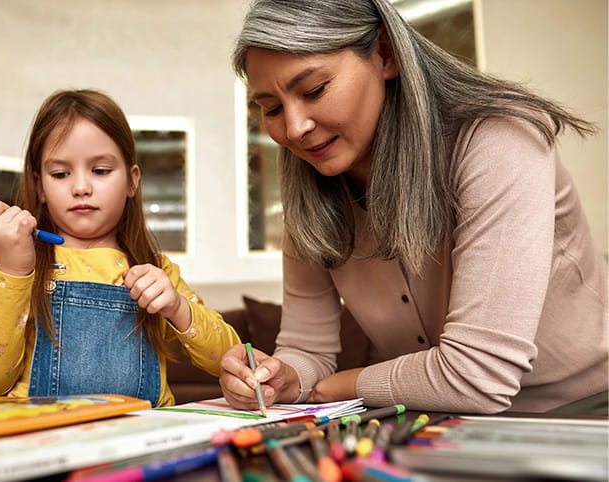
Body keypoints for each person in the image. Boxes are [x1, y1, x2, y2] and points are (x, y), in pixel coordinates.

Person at [219, 0, 608, 415]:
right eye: (272, 108)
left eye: (314, 90)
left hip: (586, 412)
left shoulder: (499, 140)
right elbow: (306, 349)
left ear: (385, 54)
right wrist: (279, 378)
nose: (295, 128)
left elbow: (476, 375)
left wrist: (337, 387)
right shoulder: (310, 193)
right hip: (442, 420)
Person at [0, 89, 240, 407]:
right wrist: (12, 270)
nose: (81, 187)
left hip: (142, 432)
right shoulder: (22, 265)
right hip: (48, 433)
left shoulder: (156, 269)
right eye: (60, 174)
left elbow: (227, 357)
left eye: (100, 171)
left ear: (132, 181)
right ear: (39, 186)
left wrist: (177, 307)